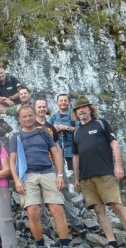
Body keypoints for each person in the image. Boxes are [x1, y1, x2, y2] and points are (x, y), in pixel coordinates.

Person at [71, 96, 126, 248]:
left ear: (90, 109)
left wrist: (118, 166)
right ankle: (112, 243)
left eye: (84, 107)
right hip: (86, 177)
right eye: (78, 109)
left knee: (116, 206)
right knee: (98, 209)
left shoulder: (101, 123)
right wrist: (76, 178)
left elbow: (114, 143)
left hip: (104, 172)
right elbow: (75, 157)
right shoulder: (76, 131)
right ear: (76, 112)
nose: (81, 110)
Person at [8, 105, 71, 248]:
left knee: (57, 209)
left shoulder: (43, 133)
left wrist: (60, 175)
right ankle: (41, 246)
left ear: (34, 115)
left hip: (48, 172)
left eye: (30, 115)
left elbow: (56, 152)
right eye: (24, 117)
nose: (28, 119)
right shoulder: (15, 137)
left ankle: (65, 246)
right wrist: (17, 180)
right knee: (33, 211)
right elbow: (12, 160)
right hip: (27, 175)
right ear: (19, 119)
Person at [35, 98, 87, 238]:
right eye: (39, 107)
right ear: (35, 109)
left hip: (53, 164)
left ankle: (75, 223)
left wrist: (59, 168)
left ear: (46, 109)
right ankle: (44, 226)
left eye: (44, 107)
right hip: (37, 166)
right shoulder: (30, 126)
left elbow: (57, 148)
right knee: (39, 196)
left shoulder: (51, 126)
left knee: (64, 191)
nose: (41, 109)